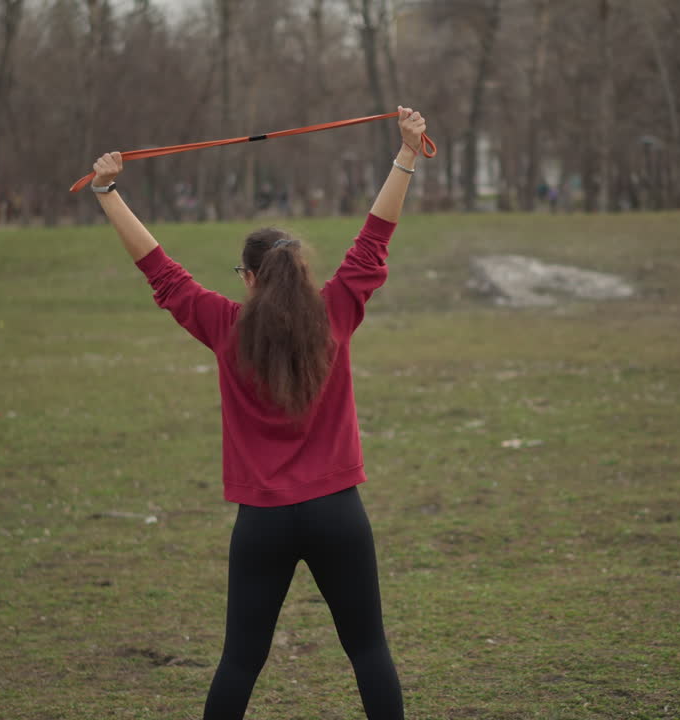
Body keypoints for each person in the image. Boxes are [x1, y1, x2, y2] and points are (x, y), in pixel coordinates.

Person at [88, 106, 428, 720]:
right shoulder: (335, 311)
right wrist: (405, 152)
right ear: (301, 274)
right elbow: (376, 234)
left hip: (263, 524)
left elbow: (160, 271)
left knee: (240, 661)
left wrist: (107, 191)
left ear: (248, 278)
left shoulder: (226, 325)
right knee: (369, 649)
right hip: (338, 515)